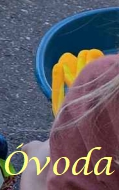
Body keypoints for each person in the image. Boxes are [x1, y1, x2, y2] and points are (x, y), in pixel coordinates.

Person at [18, 54, 119, 189]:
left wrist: (33, 178)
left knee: (41, 157)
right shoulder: (104, 78)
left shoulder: (102, 77)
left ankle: (38, 156)